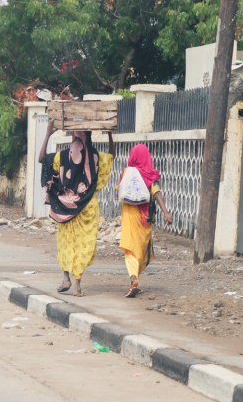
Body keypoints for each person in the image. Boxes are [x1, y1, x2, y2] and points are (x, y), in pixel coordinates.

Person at [38, 121, 114, 297]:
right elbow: (112, 156)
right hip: (87, 208)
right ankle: (77, 285)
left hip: (66, 207)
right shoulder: (95, 157)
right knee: (82, 245)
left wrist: (48, 134)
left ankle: (67, 278)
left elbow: (42, 159)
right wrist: (110, 134)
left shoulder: (63, 156)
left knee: (66, 243)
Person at [119, 144, 173, 298]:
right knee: (142, 250)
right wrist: (166, 212)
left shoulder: (126, 172)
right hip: (145, 217)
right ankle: (134, 279)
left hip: (129, 215)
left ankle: (134, 278)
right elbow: (157, 192)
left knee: (130, 248)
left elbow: (119, 191)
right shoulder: (151, 175)